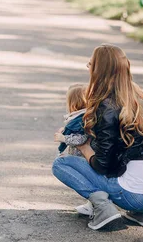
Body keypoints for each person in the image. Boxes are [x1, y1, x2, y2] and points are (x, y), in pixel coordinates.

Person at [52, 44, 143, 230]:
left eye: (90, 65)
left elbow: (103, 164)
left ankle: (104, 210)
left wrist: (83, 147)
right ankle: (141, 214)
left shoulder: (107, 106)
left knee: (62, 164)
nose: (88, 69)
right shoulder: (138, 97)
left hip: (134, 196)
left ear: (99, 71)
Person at [54, 83, 91, 215]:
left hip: (84, 158)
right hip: (81, 156)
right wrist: (65, 131)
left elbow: (81, 139)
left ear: (74, 103)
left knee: (85, 180)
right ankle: (91, 204)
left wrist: (64, 139)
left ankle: (95, 205)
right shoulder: (78, 117)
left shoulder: (82, 119)